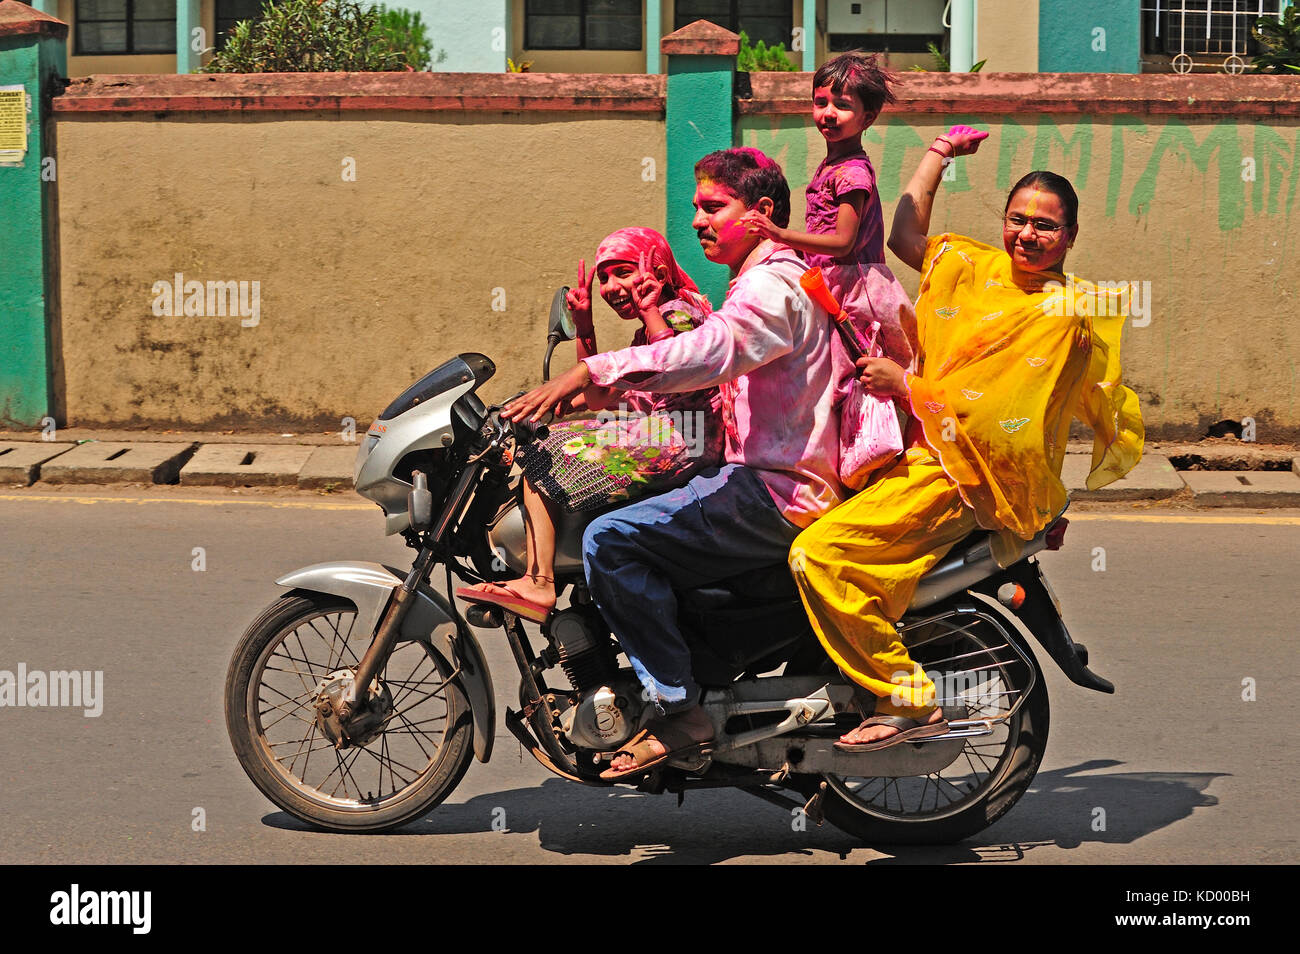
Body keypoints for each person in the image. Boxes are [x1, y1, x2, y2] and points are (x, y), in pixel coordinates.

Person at [788, 126, 1144, 750]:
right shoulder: (974, 267)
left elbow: (996, 413)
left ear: (1071, 237)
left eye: (1045, 226)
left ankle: (906, 696)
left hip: (967, 477)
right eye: (1017, 219)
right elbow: (903, 236)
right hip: (920, 451)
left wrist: (907, 384)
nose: (1027, 235)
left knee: (818, 556)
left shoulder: (1062, 313)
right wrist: (937, 155)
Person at [501, 148, 848, 779]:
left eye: (713, 208)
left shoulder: (771, 286)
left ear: (762, 212)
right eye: (695, 209)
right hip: (755, 476)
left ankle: (678, 710)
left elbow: (708, 353)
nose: (697, 222)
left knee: (611, 539)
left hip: (776, 488)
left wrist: (593, 365)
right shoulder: (762, 280)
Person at [457, 227, 722, 621]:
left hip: (685, 440)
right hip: (672, 434)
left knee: (541, 455)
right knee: (546, 441)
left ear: (660, 272)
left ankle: (539, 582)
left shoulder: (680, 315)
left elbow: (671, 362)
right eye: (604, 278)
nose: (612, 287)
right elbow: (600, 396)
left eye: (624, 272)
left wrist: (649, 312)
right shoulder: (655, 322)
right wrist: (585, 328)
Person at [737, 51, 911, 365]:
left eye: (842, 105)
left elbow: (843, 242)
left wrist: (778, 235)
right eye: (821, 103)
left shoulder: (852, 173)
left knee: (852, 381)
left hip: (855, 294)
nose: (828, 113)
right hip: (832, 284)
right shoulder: (834, 164)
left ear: (867, 118)